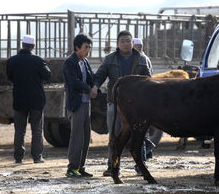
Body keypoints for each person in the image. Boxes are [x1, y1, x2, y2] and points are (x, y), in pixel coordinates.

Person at [91, 31, 153, 176]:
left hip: (137, 105)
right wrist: (95, 87)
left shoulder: (142, 59)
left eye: (128, 41)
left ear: (132, 43)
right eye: (122, 41)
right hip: (115, 102)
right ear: (118, 44)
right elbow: (99, 76)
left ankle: (140, 165)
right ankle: (112, 166)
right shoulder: (109, 59)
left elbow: (149, 81)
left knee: (139, 134)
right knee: (114, 135)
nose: (125, 43)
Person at [6, 35, 51, 164]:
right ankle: (37, 157)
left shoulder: (12, 61)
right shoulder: (38, 60)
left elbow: (10, 77)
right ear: (33, 46)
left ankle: (18, 157)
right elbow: (48, 75)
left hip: (19, 99)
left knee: (19, 129)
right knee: (37, 129)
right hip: (37, 100)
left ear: (22, 45)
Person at [63, 33, 96, 177]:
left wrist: (95, 86)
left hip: (86, 103)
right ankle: (72, 168)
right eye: (86, 47)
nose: (88, 50)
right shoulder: (70, 62)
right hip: (76, 105)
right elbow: (73, 82)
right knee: (77, 137)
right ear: (77, 47)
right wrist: (89, 88)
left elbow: (92, 77)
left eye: (89, 47)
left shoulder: (85, 61)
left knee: (86, 137)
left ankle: (81, 167)